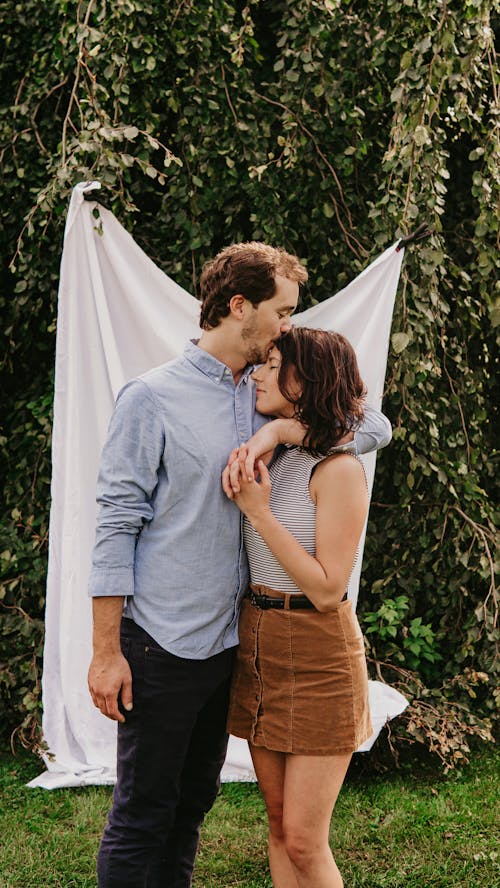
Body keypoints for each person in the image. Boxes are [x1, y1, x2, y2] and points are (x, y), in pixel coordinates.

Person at [87, 241, 391, 888]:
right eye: (282, 312)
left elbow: (375, 425)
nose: (288, 325)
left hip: (236, 646)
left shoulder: (263, 392)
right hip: (161, 644)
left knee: (193, 808)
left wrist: (281, 433)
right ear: (239, 306)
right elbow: (114, 526)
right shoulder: (151, 398)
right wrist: (106, 650)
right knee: (144, 814)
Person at [224, 327, 375, 888]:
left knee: (308, 842)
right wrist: (284, 429)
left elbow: (328, 588)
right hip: (259, 638)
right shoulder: (279, 446)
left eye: (272, 364)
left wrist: (260, 515)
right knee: (280, 825)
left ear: (304, 379)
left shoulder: (338, 469)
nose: (258, 374)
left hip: (318, 651)